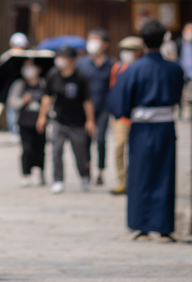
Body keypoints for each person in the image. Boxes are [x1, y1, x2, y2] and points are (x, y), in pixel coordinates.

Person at [108, 19, 185, 241]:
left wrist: (124, 112)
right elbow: (178, 95)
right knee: (164, 174)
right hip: (165, 125)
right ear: (163, 40)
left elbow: (119, 103)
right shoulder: (174, 68)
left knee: (140, 174)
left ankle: (140, 226)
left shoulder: (133, 69)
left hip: (141, 127)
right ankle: (164, 227)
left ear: (141, 41)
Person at [36, 46, 95, 193]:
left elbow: (87, 100)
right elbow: (47, 97)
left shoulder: (80, 77)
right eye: (59, 57)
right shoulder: (53, 75)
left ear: (72, 60)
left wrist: (90, 121)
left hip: (77, 121)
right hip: (58, 119)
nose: (60, 60)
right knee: (56, 150)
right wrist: (42, 117)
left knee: (80, 152)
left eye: (64, 57)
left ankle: (84, 176)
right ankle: (58, 179)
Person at [77, 29, 113, 186]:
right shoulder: (81, 63)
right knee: (84, 140)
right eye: (90, 39)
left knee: (100, 140)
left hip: (104, 107)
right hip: (84, 109)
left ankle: (100, 171)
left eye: (96, 40)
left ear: (105, 44)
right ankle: (86, 169)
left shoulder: (112, 64)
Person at [108, 36, 144, 195]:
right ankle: (122, 181)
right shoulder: (117, 68)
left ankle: (137, 181)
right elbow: (113, 91)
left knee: (138, 151)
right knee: (119, 147)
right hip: (121, 116)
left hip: (140, 116)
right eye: (124, 50)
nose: (126, 53)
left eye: (130, 50)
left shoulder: (143, 67)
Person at [8, 60, 47, 186]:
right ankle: (26, 174)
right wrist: (23, 101)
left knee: (40, 149)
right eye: (26, 67)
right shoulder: (19, 84)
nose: (28, 69)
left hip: (40, 123)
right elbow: (11, 103)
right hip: (24, 122)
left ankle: (41, 172)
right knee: (27, 148)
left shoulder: (44, 83)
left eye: (31, 66)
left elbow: (50, 101)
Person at [0, 32, 29, 138]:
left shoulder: (27, 56)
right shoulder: (6, 57)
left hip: (25, 85)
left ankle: (21, 131)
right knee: (12, 108)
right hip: (11, 87)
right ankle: (14, 131)